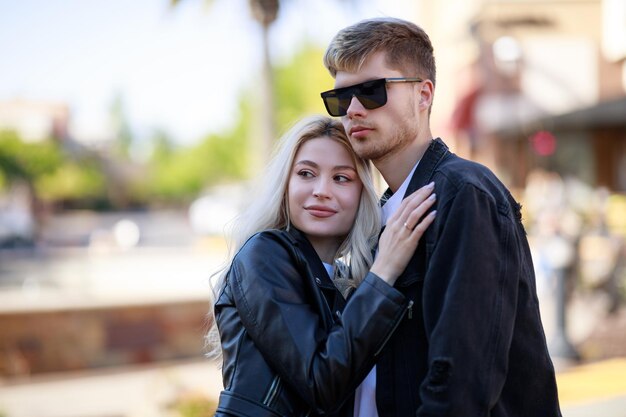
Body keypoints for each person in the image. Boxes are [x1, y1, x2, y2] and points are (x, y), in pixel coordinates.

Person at [321, 17, 562, 417]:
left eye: (372, 91)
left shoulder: (462, 194)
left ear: (423, 94)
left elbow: (461, 382)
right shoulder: (382, 215)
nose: (354, 111)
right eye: (341, 99)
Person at [210, 115, 437, 417]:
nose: (321, 190)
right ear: (286, 184)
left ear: (361, 194)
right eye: (306, 173)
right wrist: (384, 271)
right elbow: (321, 380)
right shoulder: (264, 255)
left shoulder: (343, 282)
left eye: (341, 178)